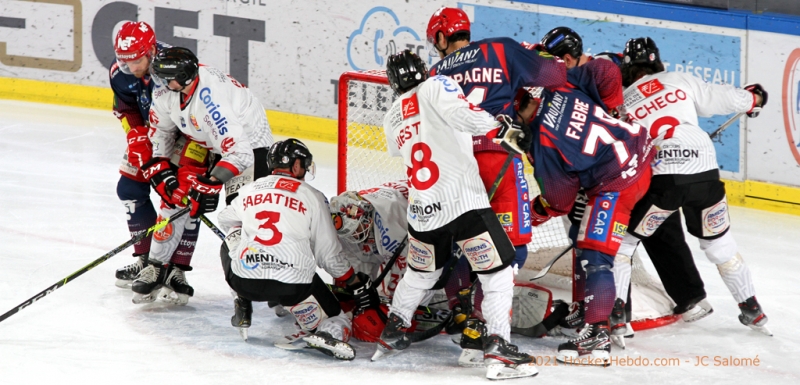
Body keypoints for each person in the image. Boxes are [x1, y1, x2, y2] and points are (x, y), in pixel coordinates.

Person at [374, 50, 537, 380]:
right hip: (463, 204)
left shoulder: (390, 115)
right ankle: (499, 349)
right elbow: (464, 116)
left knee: (420, 275)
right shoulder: (437, 84)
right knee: (499, 273)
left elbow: (405, 145)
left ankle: (392, 330)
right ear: (422, 70)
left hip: (422, 212)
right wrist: (499, 125)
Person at [617, 37, 771, 335]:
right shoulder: (678, 79)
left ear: (627, 69)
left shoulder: (624, 101)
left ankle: (617, 318)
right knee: (719, 244)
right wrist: (754, 99)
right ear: (656, 62)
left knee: (623, 245)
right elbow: (728, 98)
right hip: (705, 172)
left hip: (664, 180)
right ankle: (752, 309)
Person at [516, 62, 654, 364]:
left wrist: (531, 214)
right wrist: (613, 108)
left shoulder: (542, 145)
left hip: (619, 182)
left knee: (595, 255)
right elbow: (606, 71)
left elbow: (559, 200)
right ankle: (589, 314)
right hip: (639, 149)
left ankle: (597, 336)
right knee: (581, 238)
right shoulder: (559, 88)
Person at [427, 7, 567, 274]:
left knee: (466, 245)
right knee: (511, 249)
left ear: (443, 37)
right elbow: (556, 74)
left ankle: (461, 310)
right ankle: (486, 312)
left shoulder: (434, 75)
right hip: (498, 158)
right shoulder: (500, 49)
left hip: (454, 169)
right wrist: (536, 52)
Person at [139, 47, 274, 301]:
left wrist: (211, 182)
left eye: (164, 79)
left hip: (250, 148)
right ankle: (156, 267)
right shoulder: (169, 91)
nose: (159, 84)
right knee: (174, 193)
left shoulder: (212, 102)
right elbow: (162, 130)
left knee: (241, 215)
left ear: (183, 79)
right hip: (204, 140)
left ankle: (257, 281)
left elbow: (240, 153)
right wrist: (161, 164)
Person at [217, 139, 369, 359]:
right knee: (338, 318)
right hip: (292, 288)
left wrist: (247, 231)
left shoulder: (248, 190)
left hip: (245, 283)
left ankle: (241, 300)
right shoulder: (313, 196)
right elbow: (328, 255)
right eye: (304, 165)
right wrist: (353, 280)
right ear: (296, 166)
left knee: (231, 237)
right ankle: (328, 334)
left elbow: (225, 219)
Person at [109, 21, 207, 305]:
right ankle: (145, 260)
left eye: (137, 61)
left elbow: (200, 115)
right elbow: (125, 107)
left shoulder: (175, 70)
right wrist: (136, 136)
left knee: (182, 197)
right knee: (129, 188)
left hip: (188, 137)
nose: (132, 69)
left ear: (151, 50)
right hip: (152, 134)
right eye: (125, 63)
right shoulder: (121, 72)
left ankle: (176, 270)